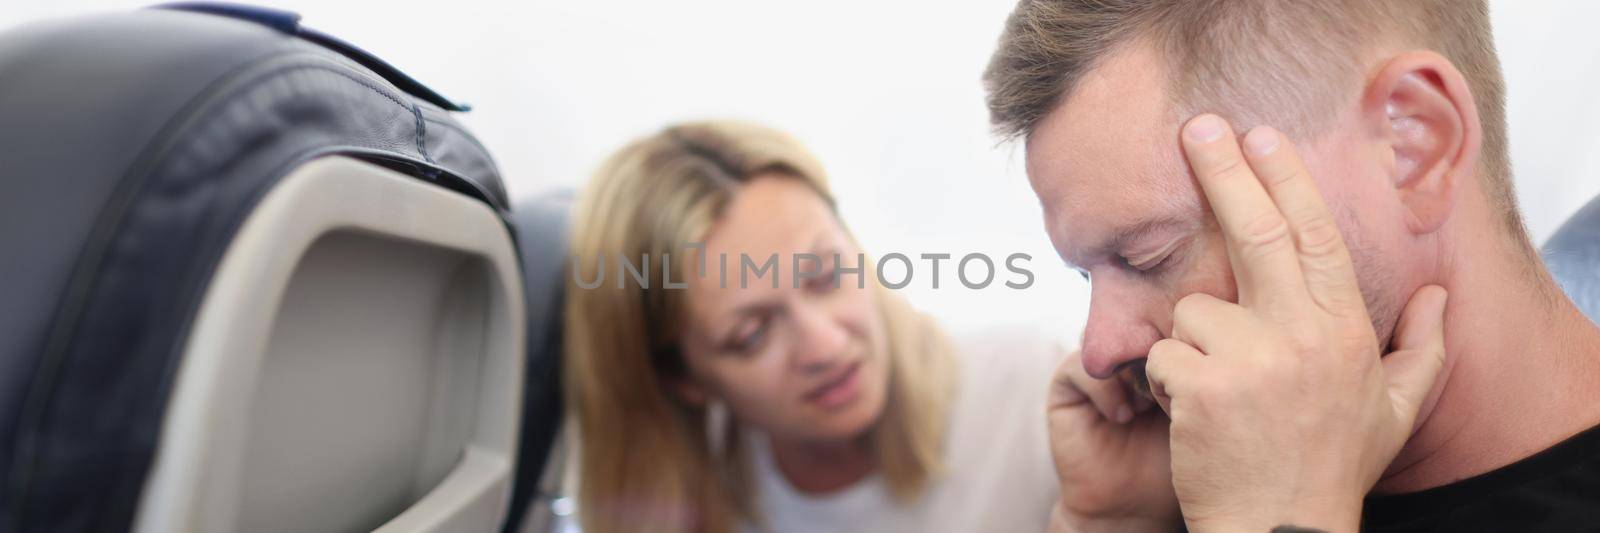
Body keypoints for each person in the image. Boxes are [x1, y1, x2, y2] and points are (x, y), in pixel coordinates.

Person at [982, 0, 1600, 531]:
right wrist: (1119, 524)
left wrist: (1276, 516)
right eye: (1087, 276)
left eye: (1149, 256)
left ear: (1415, 147)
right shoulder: (1190, 486)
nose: (1098, 350)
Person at [560, 121, 1060, 533]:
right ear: (683, 379)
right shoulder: (673, 502)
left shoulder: (1034, 392)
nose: (826, 344)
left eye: (826, 275)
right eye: (752, 335)